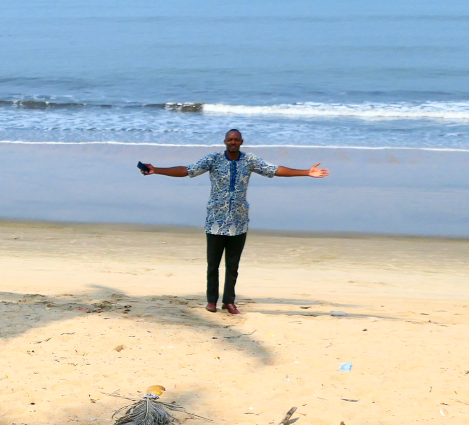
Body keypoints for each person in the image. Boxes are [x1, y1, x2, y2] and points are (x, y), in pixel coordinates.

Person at [138, 129, 329, 314]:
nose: (233, 142)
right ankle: (211, 301)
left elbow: (275, 170)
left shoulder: (249, 160)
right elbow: (187, 170)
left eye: (236, 139)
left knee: (233, 265)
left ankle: (229, 302)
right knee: (213, 264)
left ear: (241, 142)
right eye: (230, 139)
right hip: (215, 219)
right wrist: (156, 170)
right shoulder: (213, 159)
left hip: (239, 222)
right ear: (224, 142)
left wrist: (306, 172)